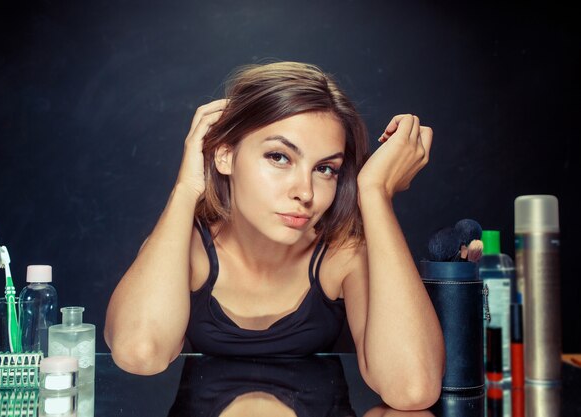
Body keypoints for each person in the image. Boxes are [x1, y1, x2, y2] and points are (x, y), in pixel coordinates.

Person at [104, 61, 445, 410]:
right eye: (279, 157)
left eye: (326, 169)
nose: (305, 192)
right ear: (225, 154)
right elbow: (138, 353)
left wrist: (375, 193)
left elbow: (413, 388)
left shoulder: (342, 255)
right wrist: (187, 187)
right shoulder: (186, 248)